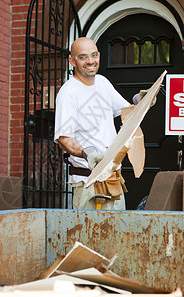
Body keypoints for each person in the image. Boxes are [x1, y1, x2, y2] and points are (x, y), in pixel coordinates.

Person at [54, 37, 143, 210]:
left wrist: (141, 101)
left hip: (113, 180)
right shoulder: (68, 92)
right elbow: (64, 138)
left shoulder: (102, 82)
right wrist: (87, 153)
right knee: (89, 236)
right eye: (83, 57)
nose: (90, 61)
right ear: (72, 61)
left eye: (94, 55)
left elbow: (127, 113)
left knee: (117, 235)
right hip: (89, 184)